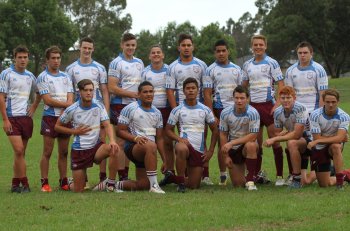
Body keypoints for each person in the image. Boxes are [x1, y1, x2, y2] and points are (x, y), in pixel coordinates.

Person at [55, 79, 119, 193]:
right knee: (79, 190)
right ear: (79, 92)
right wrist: (75, 132)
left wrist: (113, 140)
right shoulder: (72, 109)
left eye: (91, 90)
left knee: (114, 149)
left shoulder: (99, 105)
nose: (89, 93)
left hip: (96, 147)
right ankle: (71, 183)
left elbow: (107, 124)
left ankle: (110, 184)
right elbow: (57, 126)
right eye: (86, 90)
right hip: (80, 151)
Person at [165, 33, 212, 185]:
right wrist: (177, 111)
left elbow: (206, 91)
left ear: (193, 47)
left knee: (202, 139)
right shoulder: (172, 67)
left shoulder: (202, 65)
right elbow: (170, 91)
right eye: (183, 45)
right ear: (179, 47)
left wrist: (209, 110)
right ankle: (182, 177)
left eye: (188, 45)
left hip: (199, 110)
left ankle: (205, 175)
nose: (186, 48)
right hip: (182, 109)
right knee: (182, 142)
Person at [242, 34, 286, 186]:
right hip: (254, 107)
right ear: (252, 46)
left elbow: (281, 85)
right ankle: (255, 175)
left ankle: (280, 176)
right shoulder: (247, 64)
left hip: (269, 106)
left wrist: (277, 104)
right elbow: (244, 86)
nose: (258, 47)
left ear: (265, 46)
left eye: (261, 44)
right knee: (255, 143)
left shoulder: (272, 63)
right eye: (255, 45)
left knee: (275, 141)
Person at [66, 37, 110, 183]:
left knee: (102, 142)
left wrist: (106, 112)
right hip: (80, 112)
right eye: (84, 48)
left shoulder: (100, 67)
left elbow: (104, 90)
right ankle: (81, 178)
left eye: (89, 48)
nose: (87, 50)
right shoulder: (71, 68)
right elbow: (70, 92)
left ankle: (103, 177)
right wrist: (71, 112)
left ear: (93, 49)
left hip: (97, 112)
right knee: (81, 141)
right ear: (80, 48)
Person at [109, 81, 165, 193]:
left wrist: (165, 160)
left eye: (151, 92)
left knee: (143, 184)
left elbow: (159, 138)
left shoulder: (157, 112)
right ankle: (154, 186)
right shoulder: (130, 108)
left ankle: (113, 185)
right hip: (133, 147)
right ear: (139, 94)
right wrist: (135, 138)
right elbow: (119, 131)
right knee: (150, 145)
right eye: (145, 92)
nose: (148, 94)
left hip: (149, 151)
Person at [284, 41, 329, 184]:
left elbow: (323, 94)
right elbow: (288, 95)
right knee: (296, 142)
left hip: (314, 113)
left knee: (314, 143)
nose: (302, 55)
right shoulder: (291, 71)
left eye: (305, 53)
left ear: (311, 53)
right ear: (297, 54)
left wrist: (319, 115)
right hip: (298, 115)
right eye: (300, 53)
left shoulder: (318, 69)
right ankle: (297, 175)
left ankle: (322, 171)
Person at [165, 77, 218, 192]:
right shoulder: (177, 110)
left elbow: (215, 130)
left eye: (193, 88)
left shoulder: (205, 110)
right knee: (181, 147)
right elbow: (168, 130)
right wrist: (179, 138)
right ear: (183, 91)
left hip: (199, 150)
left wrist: (210, 151)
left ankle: (172, 178)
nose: (190, 90)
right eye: (188, 88)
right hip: (185, 146)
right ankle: (181, 183)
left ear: (198, 90)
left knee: (194, 185)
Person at [0, 45, 41, 193]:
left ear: (28, 58)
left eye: (25, 57)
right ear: (14, 58)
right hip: (12, 118)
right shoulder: (6, 74)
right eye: (20, 57)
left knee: (21, 154)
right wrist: (5, 120)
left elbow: (40, 91)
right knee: (18, 150)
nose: (23, 60)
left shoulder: (30, 76)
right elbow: (1, 98)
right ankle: (25, 183)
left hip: (26, 118)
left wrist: (34, 106)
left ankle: (15, 184)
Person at [203, 39, 243, 186]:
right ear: (215, 52)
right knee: (222, 143)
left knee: (238, 141)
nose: (221, 53)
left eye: (223, 50)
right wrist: (212, 114)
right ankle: (222, 175)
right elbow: (207, 93)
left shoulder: (237, 69)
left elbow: (242, 91)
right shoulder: (210, 69)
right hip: (219, 110)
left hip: (235, 110)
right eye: (218, 51)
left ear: (228, 51)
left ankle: (240, 171)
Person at [37, 46, 74, 192]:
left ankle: (63, 181)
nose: (56, 61)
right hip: (50, 117)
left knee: (64, 152)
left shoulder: (66, 77)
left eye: (58, 58)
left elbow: (71, 96)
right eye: (53, 58)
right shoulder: (42, 77)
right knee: (47, 151)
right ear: (47, 60)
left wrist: (67, 108)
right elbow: (47, 100)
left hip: (65, 117)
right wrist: (67, 104)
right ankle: (44, 182)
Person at [108, 33, 144, 182]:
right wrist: (133, 94)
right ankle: (121, 177)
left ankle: (126, 175)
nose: (130, 48)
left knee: (133, 141)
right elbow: (111, 87)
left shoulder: (139, 62)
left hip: (135, 107)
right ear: (122, 45)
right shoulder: (116, 63)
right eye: (127, 45)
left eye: (133, 45)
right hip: (120, 105)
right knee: (121, 142)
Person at [263, 86, 310, 188]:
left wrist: (274, 139)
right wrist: (279, 135)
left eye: (288, 97)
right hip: (299, 141)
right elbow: (278, 132)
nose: (285, 100)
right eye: (283, 98)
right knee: (307, 181)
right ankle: (295, 176)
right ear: (279, 99)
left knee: (291, 142)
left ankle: (296, 179)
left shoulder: (300, 108)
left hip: (311, 140)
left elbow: (297, 134)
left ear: (294, 98)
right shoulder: (277, 112)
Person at [141, 45, 173, 176]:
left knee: (167, 142)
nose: (156, 55)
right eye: (153, 53)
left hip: (166, 109)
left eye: (158, 52)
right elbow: (142, 91)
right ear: (149, 56)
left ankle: (170, 172)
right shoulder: (145, 72)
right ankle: (148, 173)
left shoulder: (169, 70)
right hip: (149, 111)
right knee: (149, 141)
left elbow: (172, 90)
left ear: (163, 55)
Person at [219, 85, 260, 191]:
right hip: (233, 150)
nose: (239, 101)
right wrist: (226, 156)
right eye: (236, 98)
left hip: (246, 146)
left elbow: (253, 136)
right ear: (233, 98)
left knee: (251, 145)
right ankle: (258, 177)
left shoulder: (253, 113)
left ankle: (251, 181)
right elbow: (223, 134)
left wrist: (232, 143)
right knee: (238, 185)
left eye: (242, 98)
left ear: (247, 99)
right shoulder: (225, 113)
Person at [307, 89, 349, 189]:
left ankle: (340, 183)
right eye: (328, 102)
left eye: (333, 102)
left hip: (332, 145)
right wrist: (338, 137)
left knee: (335, 147)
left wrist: (318, 140)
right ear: (323, 101)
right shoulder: (315, 115)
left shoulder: (344, 116)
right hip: (319, 147)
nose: (330, 105)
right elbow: (317, 137)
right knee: (324, 184)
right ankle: (346, 175)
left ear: (338, 102)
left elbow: (339, 138)